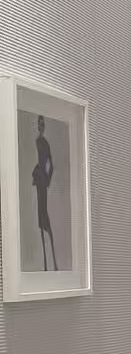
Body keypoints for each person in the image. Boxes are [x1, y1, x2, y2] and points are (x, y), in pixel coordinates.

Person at [31, 116, 57, 271]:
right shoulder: (40, 142)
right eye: (39, 124)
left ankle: (50, 263)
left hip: (41, 180)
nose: (41, 127)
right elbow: (50, 165)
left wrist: (47, 180)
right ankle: (47, 264)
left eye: (42, 124)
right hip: (40, 179)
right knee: (41, 217)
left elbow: (51, 165)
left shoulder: (42, 142)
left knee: (43, 215)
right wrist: (46, 178)